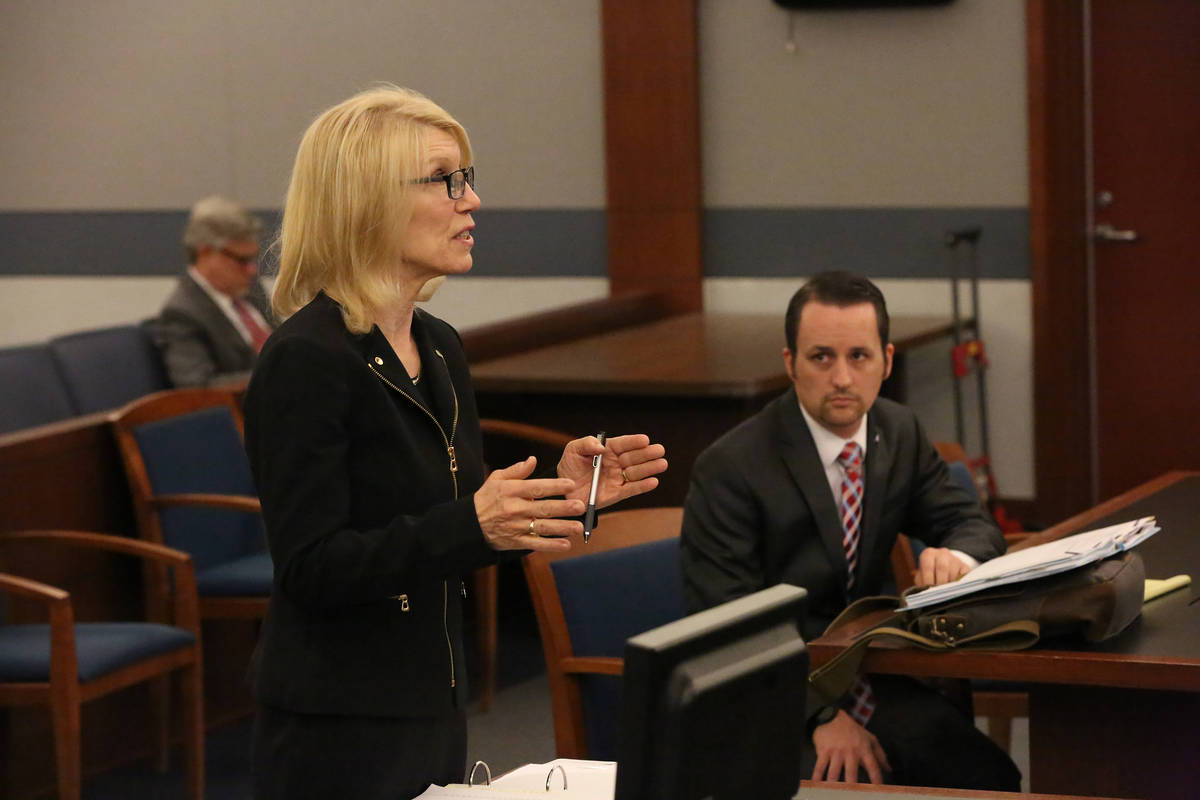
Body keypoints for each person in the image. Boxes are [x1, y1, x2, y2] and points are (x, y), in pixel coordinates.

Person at [241, 85, 668, 800]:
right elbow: (312, 568)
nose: (471, 202)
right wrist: (476, 521)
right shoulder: (305, 360)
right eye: (447, 180)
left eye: (466, 178)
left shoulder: (438, 347)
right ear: (367, 199)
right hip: (340, 724)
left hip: (436, 698)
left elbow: (448, 520)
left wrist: (555, 495)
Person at [679, 271, 1020, 791]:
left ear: (885, 361)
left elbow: (970, 523)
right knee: (842, 783)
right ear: (790, 363)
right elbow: (728, 627)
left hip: (872, 673)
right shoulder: (731, 467)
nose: (842, 378)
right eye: (821, 357)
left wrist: (957, 555)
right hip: (770, 691)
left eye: (858, 357)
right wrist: (819, 717)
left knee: (989, 778)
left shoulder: (898, 430)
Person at [150, 195, 275, 387]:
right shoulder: (181, 314)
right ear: (205, 252)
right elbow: (198, 387)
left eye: (253, 259)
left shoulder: (251, 289)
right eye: (242, 260)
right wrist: (280, 376)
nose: (252, 270)